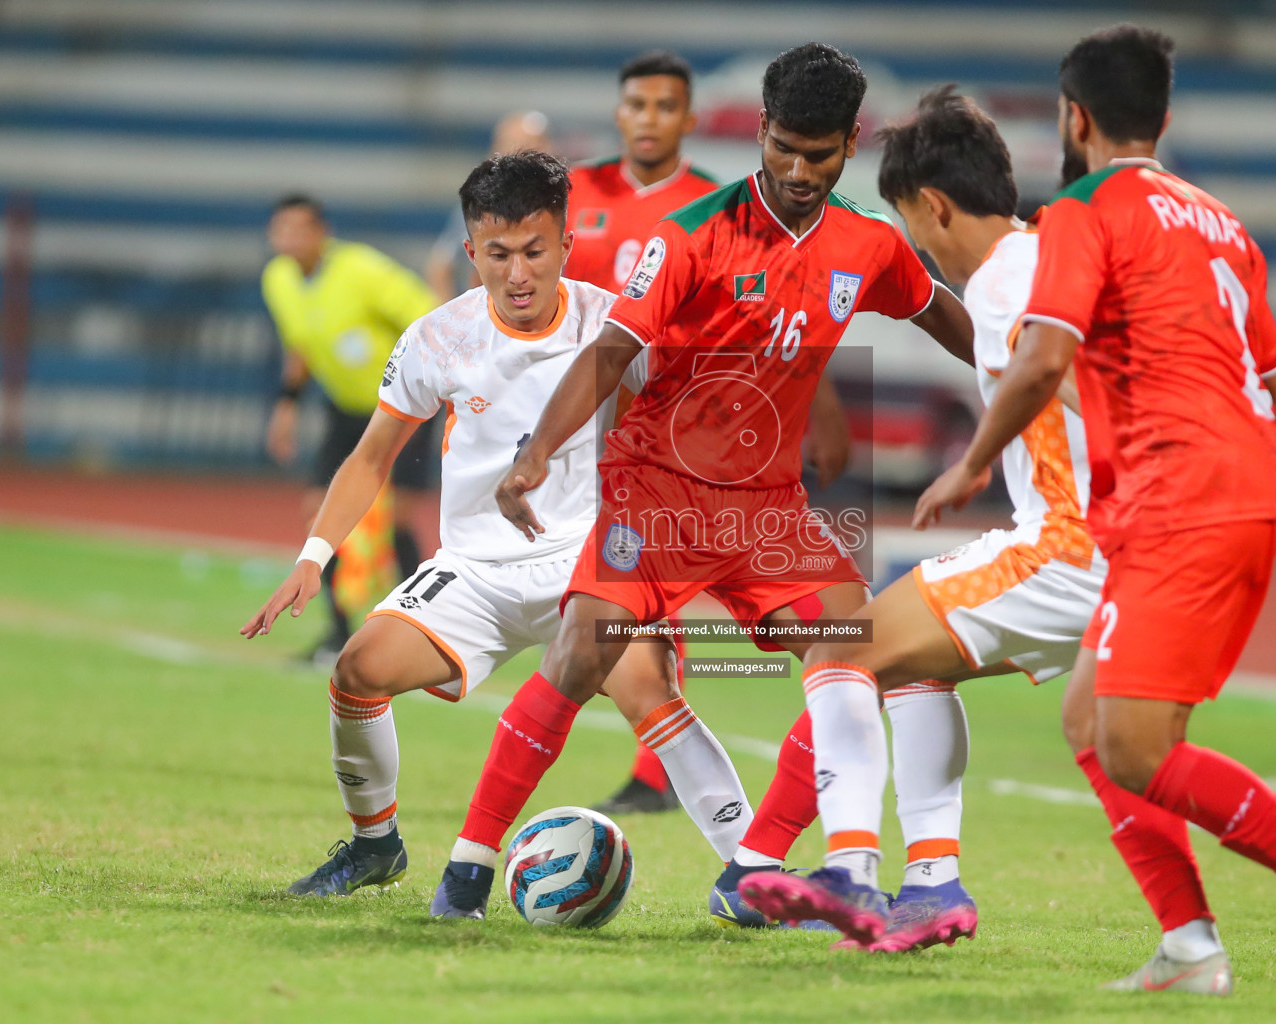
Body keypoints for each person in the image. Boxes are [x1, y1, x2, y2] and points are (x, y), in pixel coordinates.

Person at [788, 25, 1276, 1004]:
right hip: (1230, 493)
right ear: (1165, 116)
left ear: (1072, 119)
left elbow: (1047, 362)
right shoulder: (1219, 221)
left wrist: (973, 464)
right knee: (1092, 722)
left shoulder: (1082, 218)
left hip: (1164, 507)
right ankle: (1188, 940)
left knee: (1093, 730)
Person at [467, 42, 977, 925]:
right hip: (653, 490)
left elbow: (944, 315)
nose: (799, 169)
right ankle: (468, 868)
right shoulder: (693, 233)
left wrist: (1030, 386)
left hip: (768, 508)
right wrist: (537, 452)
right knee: (583, 653)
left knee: (851, 648)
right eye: (783, 147)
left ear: (851, 142)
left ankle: (753, 869)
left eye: (819, 154)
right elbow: (614, 348)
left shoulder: (870, 245)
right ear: (762, 133)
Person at [241, 152, 753, 919]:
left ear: (565, 244)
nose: (518, 274)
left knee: (648, 688)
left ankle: (751, 870)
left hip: (586, 560)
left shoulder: (614, 327)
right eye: (498, 254)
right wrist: (314, 557)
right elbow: (372, 454)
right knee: (358, 670)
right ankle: (376, 843)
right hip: (476, 569)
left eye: (535, 251)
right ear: (472, 250)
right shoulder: (436, 338)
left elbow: (695, 428)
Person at [724, 85, 1104, 955]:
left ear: (932, 206)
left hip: (1069, 544)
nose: (921, 248)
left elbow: (1072, 381)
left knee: (841, 645)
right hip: (1097, 551)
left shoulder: (1007, 281)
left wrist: (972, 464)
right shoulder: (1054, 257)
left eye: (913, 225)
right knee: (916, 663)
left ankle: (850, 869)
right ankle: (931, 883)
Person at [567, 50, 856, 816]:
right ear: (620, 111)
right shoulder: (573, 194)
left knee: (644, 597)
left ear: (690, 120)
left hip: (674, 435)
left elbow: (789, 326)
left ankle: (653, 767)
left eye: (667, 106)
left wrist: (821, 416)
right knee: (587, 616)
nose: (650, 118)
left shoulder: (717, 206)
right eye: (638, 104)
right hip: (574, 417)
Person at [261, 195, 439, 663]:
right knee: (319, 512)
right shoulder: (277, 279)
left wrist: (428, 382)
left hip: (403, 407)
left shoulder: (362, 269)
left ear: (322, 231)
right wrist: (287, 405)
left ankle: (422, 633)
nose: (291, 240)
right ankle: (337, 633)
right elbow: (299, 347)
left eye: (301, 229)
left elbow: (428, 316)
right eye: (282, 230)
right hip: (343, 408)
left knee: (397, 520)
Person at [424, 111, 554, 302]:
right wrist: (452, 321)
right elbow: (441, 266)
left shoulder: (564, 202)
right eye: (516, 146)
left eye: (535, 145)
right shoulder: (481, 205)